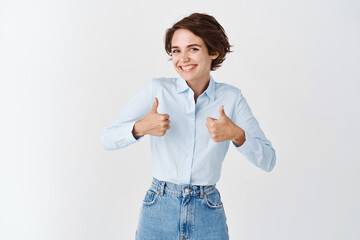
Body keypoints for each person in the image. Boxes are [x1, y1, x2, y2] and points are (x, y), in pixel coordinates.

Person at [101, 12, 276, 240]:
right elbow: (107, 139)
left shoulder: (232, 98)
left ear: (213, 51)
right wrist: (140, 128)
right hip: (159, 208)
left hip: (208, 211)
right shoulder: (157, 90)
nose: (183, 58)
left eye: (193, 48)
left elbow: (269, 160)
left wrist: (236, 134)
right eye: (176, 50)